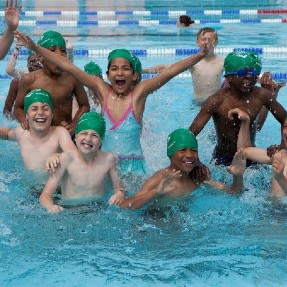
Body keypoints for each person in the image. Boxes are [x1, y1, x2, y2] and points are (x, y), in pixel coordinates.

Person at [15, 30, 213, 176]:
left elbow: (170, 72)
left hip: (135, 169)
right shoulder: (102, 91)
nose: (120, 73)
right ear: (107, 74)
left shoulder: (139, 94)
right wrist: (34, 47)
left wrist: (200, 55)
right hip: (102, 166)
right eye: (114, 69)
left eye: (126, 69)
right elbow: (67, 65)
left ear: (134, 74)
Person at [189, 51, 287, 166]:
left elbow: (285, 118)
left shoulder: (261, 95)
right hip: (223, 159)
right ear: (229, 77)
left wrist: (283, 145)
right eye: (243, 73)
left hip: (251, 154)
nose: (249, 77)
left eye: (254, 73)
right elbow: (191, 133)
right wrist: (195, 161)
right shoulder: (216, 101)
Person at [110, 128, 245, 210]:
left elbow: (234, 193)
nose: (189, 155)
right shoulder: (160, 179)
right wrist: (156, 192)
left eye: (193, 150)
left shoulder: (198, 176)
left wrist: (238, 175)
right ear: (171, 153)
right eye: (182, 150)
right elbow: (125, 206)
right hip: (155, 221)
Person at [39, 112, 125, 213]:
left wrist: (120, 194)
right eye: (84, 133)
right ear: (75, 137)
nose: (88, 139)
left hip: (98, 210)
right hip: (70, 210)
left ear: (101, 141)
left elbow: (119, 188)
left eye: (94, 135)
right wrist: (50, 207)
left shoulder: (108, 159)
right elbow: (45, 195)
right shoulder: (66, 159)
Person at [13, 30, 90, 135]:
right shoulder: (29, 80)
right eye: (52, 51)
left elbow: (84, 105)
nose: (59, 55)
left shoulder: (72, 78)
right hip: (40, 136)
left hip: (64, 133)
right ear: (40, 57)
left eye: (63, 51)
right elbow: (18, 108)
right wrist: (25, 121)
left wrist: (74, 124)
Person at [0, 89, 77, 184]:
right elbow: (6, 134)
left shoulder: (59, 133)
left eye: (45, 108)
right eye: (34, 109)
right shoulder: (22, 133)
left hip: (55, 191)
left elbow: (74, 154)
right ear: (27, 115)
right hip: (29, 189)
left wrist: (59, 155)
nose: (40, 113)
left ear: (52, 114)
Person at [143, 27, 224, 103]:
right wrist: (142, 71)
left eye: (210, 39)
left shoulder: (222, 62)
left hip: (216, 104)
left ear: (216, 42)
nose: (206, 42)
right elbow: (168, 68)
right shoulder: (193, 62)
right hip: (197, 104)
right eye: (203, 39)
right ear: (198, 42)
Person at [233, 107, 287, 198]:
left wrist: (280, 177)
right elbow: (243, 151)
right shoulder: (279, 155)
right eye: (286, 126)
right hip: (266, 209)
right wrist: (245, 122)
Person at [4, 52, 42, 119]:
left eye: (39, 61)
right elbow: (6, 110)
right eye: (32, 61)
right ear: (27, 65)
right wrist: (16, 120)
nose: (36, 64)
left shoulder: (49, 81)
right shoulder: (17, 83)